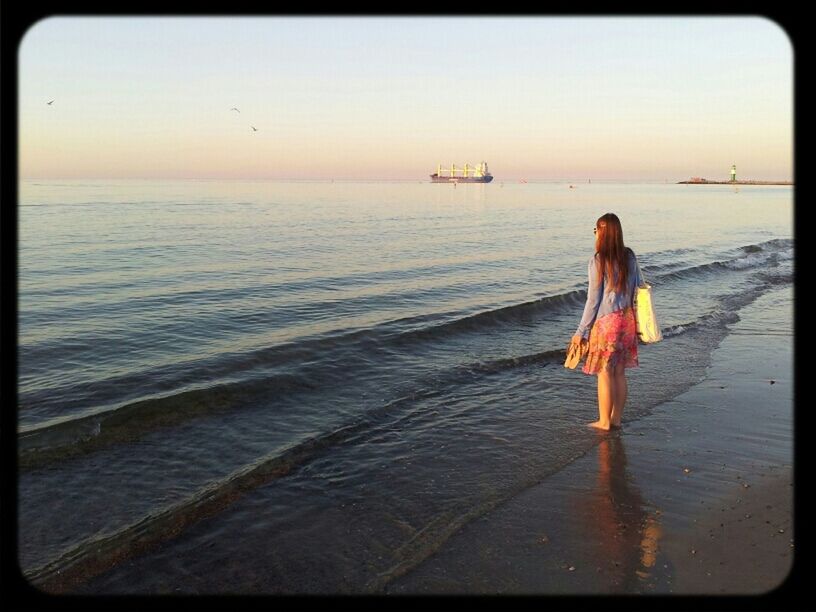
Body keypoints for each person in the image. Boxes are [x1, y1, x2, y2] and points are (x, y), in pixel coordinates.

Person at [570, 213, 643, 431]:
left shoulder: (598, 260)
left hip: (606, 323)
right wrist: (637, 322)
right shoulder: (629, 256)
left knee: (604, 373)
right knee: (619, 372)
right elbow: (640, 287)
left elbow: (593, 300)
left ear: (602, 232)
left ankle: (603, 422)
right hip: (627, 319)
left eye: (595, 230)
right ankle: (616, 419)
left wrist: (581, 331)